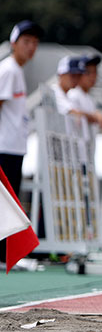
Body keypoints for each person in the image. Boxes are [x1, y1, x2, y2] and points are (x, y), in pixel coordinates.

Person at [0, 20, 43, 264]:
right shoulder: (8, 70)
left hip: (14, 147)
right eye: (26, 42)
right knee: (5, 205)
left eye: (35, 43)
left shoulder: (17, 71)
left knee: (10, 203)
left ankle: (5, 255)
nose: (31, 47)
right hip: (4, 147)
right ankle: (2, 255)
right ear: (13, 43)